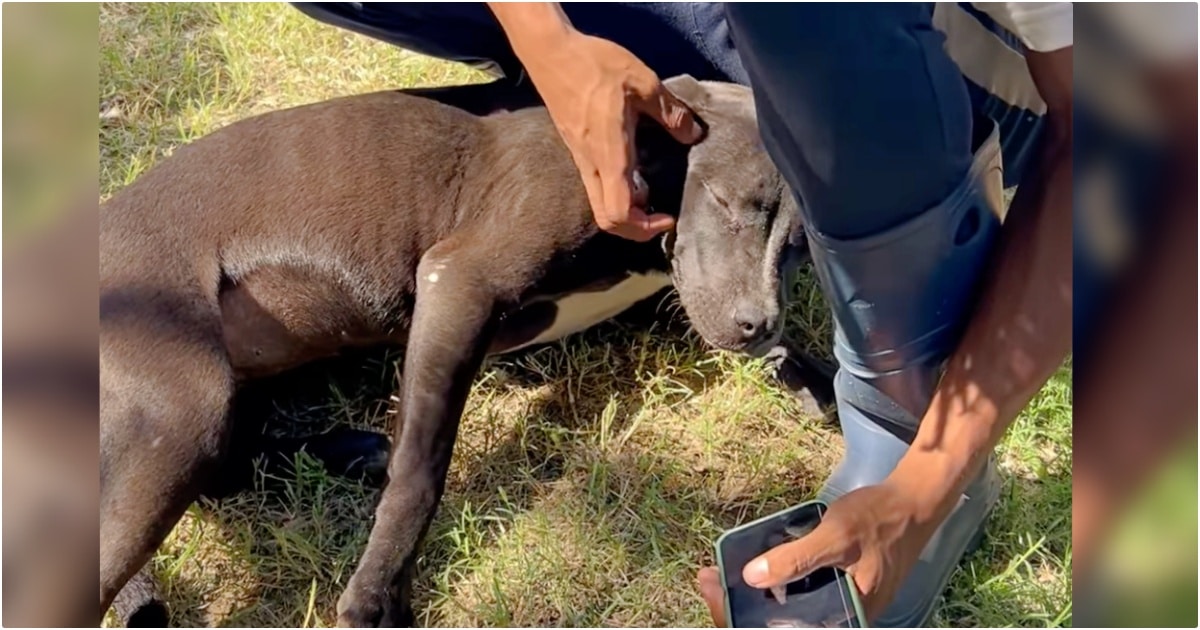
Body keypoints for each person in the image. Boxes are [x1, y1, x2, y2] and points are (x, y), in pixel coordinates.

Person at [290, 3, 1073, 626]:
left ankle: (898, 411)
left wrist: (925, 485)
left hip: (991, 79)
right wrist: (550, 45)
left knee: (814, 30)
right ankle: (703, 139)